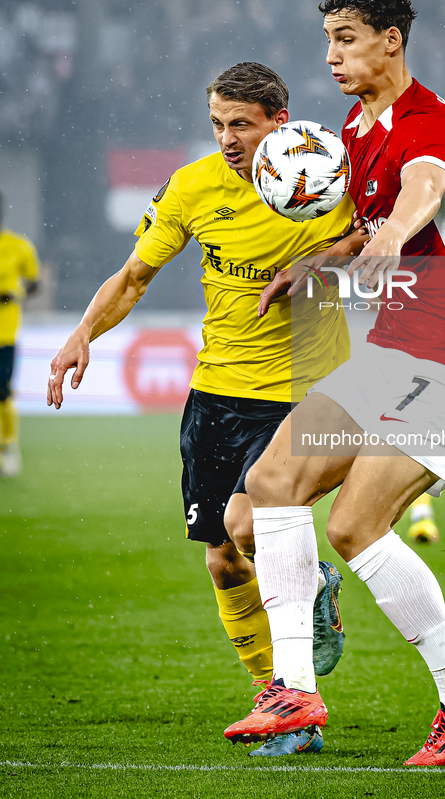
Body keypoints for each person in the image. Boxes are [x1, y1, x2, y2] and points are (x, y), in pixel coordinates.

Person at [224, 0, 445, 767]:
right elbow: (366, 225)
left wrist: (393, 239)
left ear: (391, 38)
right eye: (326, 40)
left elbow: (423, 188)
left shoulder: (432, 123)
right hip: (389, 353)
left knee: (353, 526)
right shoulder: (354, 127)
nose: (330, 56)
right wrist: (324, 257)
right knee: (263, 494)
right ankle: (292, 687)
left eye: (345, 38)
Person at [47, 62, 369, 757]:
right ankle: (287, 706)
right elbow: (136, 274)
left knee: (248, 521)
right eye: (217, 123)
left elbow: (373, 237)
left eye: (241, 124)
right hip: (216, 393)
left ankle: (307, 598)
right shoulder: (192, 186)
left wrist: (322, 259)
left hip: (302, 389)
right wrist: (81, 333)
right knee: (223, 559)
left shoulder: (323, 175)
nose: (226, 137)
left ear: (279, 123)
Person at [0, 192, 41, 477]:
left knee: (3, 392)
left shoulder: (18, 246)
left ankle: (8, 447)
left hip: (5, 334)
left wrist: (15, 295)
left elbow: (34, 284)